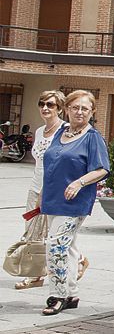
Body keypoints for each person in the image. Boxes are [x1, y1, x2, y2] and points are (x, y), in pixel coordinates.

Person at [39, 90, 110, 315]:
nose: (79, 112)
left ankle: (57, 295)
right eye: (75, 107)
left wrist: (79, 183)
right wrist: (42, 191)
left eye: (85, 109)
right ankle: (71, 292)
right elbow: (51, 162)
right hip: (53, 198)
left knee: (56, 245)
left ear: (92, 112)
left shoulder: (92, 137)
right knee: (68, 247)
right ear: (67, 109)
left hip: (74, 201)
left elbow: (102, 169)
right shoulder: (61, 131)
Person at [12, 90, 66, 291]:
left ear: (59, 108)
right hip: (35, 186)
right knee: (32, 230)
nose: (45, 108)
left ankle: (38, 274)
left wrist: (47, 191)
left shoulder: (64, 130)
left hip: (54, 189)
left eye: (50, 105)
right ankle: (36, 273)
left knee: (53, 232)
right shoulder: (40, 131)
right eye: (42, 104)